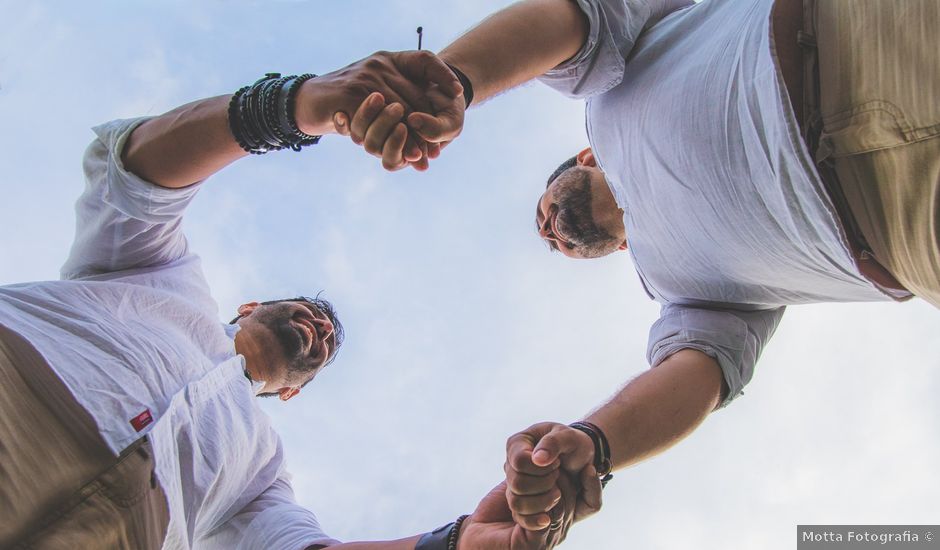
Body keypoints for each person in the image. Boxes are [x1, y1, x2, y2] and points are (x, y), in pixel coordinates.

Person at [343, 0, 939, 537]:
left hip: (855, 33)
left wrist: (454, 81)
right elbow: (704, 369)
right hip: (904, 229)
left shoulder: (607, 97)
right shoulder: (675, 287)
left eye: (543, 210)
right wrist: (595, 442)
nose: (549, 230)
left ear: (584, 158)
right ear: (611, 253)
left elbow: (575, 19)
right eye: (554, 244)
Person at [0, 50, 583, 549]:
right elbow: (132, 176)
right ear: (249, 306)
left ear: (290, 392)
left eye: (327, 342)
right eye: (314, 310)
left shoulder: (261, 470)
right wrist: (298, 105)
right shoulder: (164, 277)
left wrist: (456, 543)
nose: (322, 329)